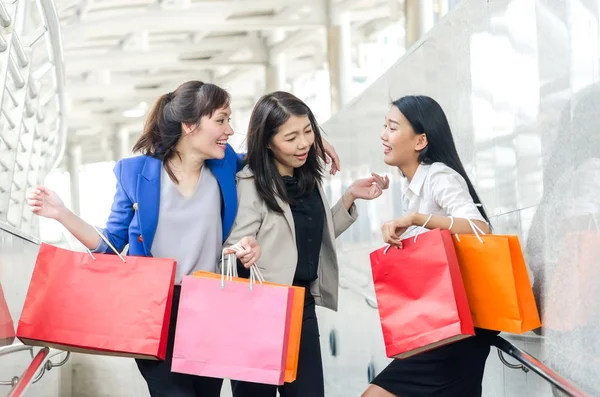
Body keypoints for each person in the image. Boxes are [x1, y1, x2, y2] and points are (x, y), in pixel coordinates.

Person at [27, 81, 263, 397]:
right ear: (189, 125)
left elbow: (272, 158)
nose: (230, 130)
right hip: (154, 309)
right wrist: (61, 214)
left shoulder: (224, 165)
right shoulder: (135, 173)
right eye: (221, 120)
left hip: (211, 305)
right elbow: (110, 243)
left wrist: (315, 145)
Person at [224, 91, 389, 397]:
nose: (303, 144)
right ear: (267, 141)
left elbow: (311, 238)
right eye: (291, 137)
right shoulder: (249, 184)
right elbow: (232, 250)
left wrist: (349, 197)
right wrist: (246, 248)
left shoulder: (307, 179)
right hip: (257, 310)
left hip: (301, 308)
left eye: (308, 132)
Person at [362, 95, 493, 397]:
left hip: (457, 328)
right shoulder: (413, 185)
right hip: (442, 324)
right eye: (385, 126)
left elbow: (479, 228)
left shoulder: (440, 177)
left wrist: (419, 218)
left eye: (392, 128)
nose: (384, 135)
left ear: (420, 140)